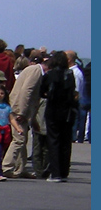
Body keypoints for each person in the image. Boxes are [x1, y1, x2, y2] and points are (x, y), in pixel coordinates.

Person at [2, 50, 47, 178]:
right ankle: (6, 166)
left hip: (21, 108)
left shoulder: (32, 69)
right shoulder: (36, 71)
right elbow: (27, 91)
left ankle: (20, 168)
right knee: (19, 139)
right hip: (18, 109)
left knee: (23, 140)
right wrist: (22, 111)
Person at [42, 50, 77, 182]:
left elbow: (41, 91)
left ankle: (55, 173)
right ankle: (63, 172)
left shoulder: (49, 75)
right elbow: (72, 92)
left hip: (52, 110)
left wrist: (48, 95)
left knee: (53, 141)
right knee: (65, 142)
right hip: (67, 111)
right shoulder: (70, 74)